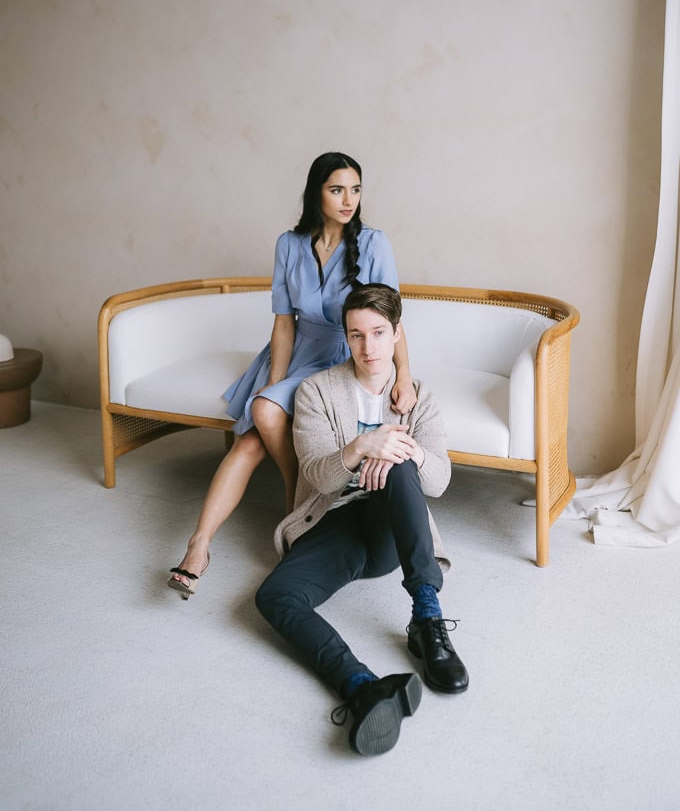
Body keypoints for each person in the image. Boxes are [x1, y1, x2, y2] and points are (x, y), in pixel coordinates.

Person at [168, 152, 417, 597]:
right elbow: (284, 322)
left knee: (260, 423)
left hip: (346, 354)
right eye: (337, 189)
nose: (348, 200)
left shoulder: (374, 243)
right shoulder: (289, 243)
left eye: (355, 190)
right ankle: (200, 544)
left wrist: (403, 375)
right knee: (256, 426)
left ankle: (297, 507)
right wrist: (273, 385)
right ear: (315, 192)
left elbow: (391, 318)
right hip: (297, 351)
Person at [255, 283, 468, 757]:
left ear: (396, 334)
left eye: (377, 332)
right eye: (356, 335)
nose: (368, 347)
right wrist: (359, 449)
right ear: (346, 338)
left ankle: (427, 620)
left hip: (391, 529)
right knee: (274, 596)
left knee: (401, 466)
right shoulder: (316, 391)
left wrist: (398, 451)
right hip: (334, 521)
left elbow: (439, 482)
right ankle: (361, 686)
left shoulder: (422, 398)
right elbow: (316, 474)